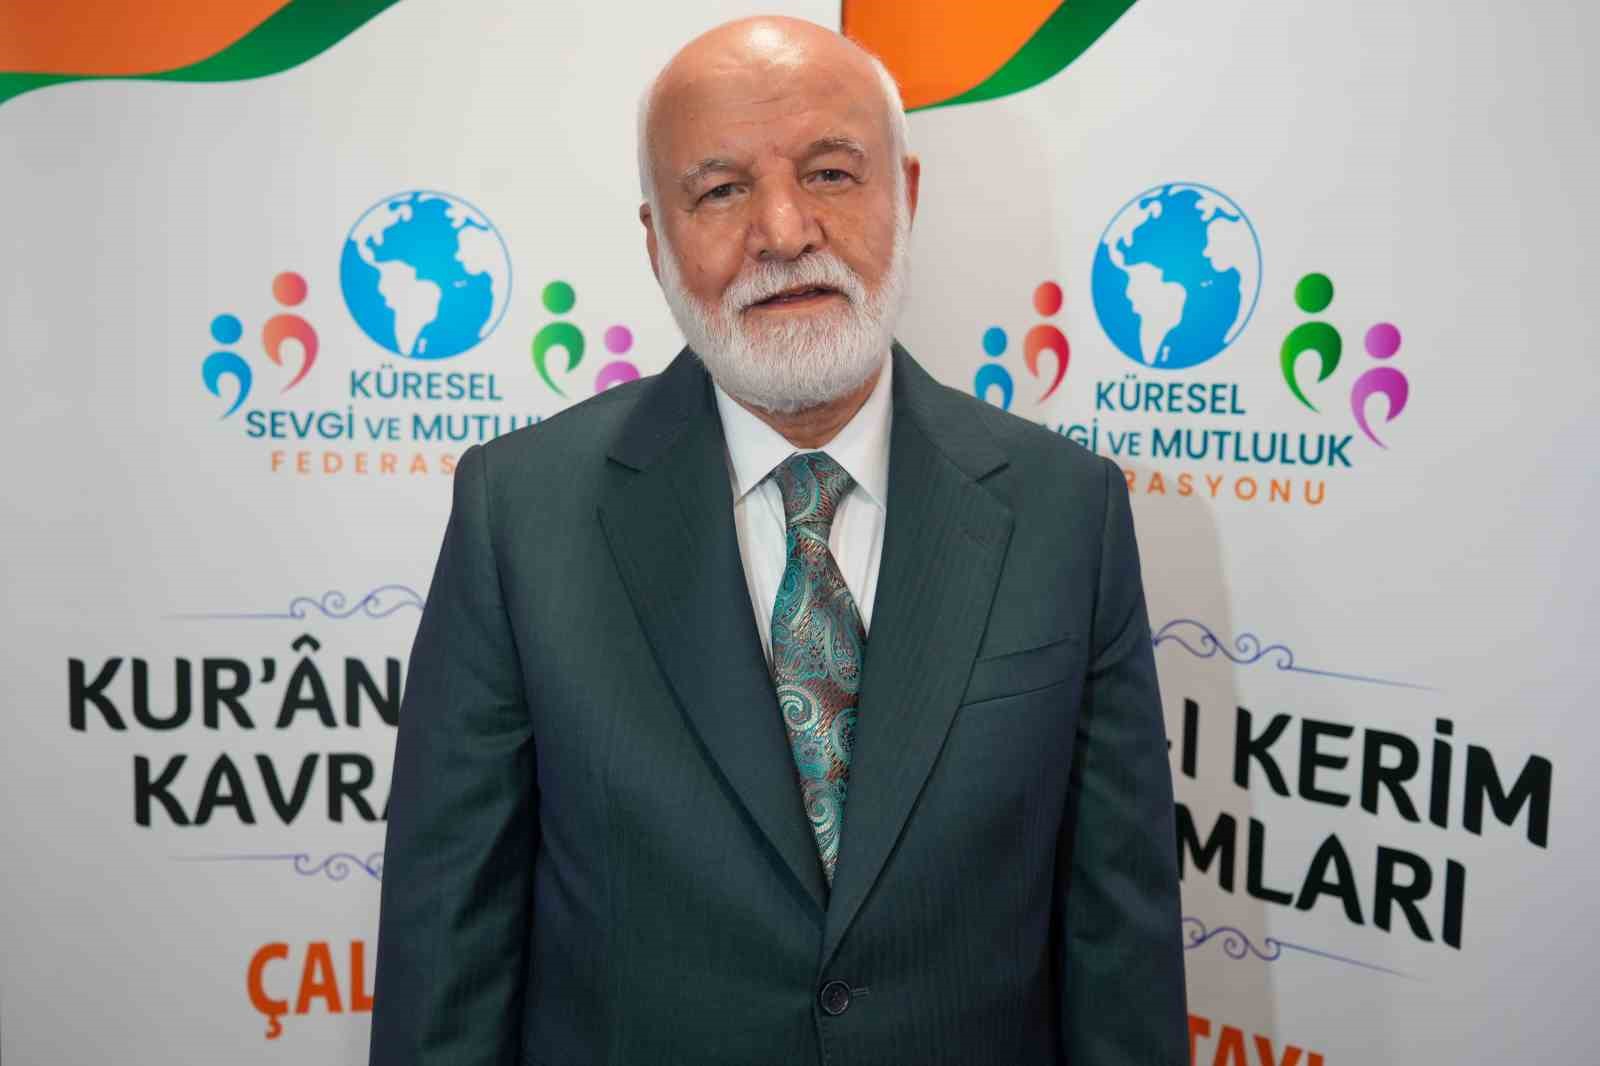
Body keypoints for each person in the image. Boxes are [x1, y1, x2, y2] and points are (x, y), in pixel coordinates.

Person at [370, 15, 1185, 1066]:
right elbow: (448, 955)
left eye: (831, 173)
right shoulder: (518, 515)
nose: (786, 230)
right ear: (656, 242)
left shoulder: (1069, 512)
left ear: (906, 195)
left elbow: (1120, 954)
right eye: (719, 191)